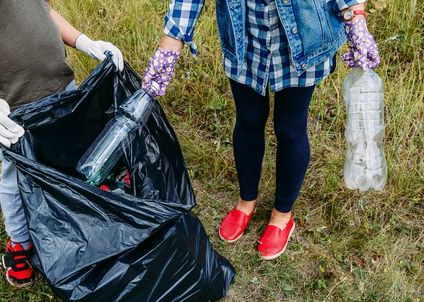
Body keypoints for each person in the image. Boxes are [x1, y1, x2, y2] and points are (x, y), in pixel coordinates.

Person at [142, 0, 379, 260]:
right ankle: (246, 202)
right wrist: (173, 38)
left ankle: (282, 215)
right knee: (248, 119)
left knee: (290, 128)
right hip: (245, 30)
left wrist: (354, 14)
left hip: (302, 33)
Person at [0, 0, 124, 287]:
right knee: (17, 175)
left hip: (62, 86)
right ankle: (20, 242)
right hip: (13, 103)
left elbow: (46, 11)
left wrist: (84, 42)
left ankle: (73, 216)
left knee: (68, 156)